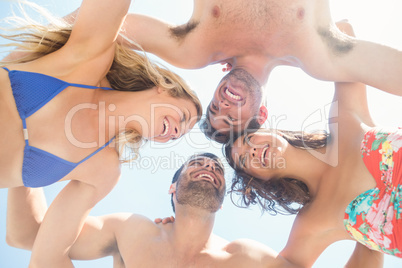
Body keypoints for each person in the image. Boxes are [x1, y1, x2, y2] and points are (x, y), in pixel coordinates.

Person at [0, 0, 201, 265]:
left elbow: (43, 250)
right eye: (183, 117)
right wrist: (195, 48)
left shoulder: (103, 167)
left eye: (178, 136)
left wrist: (25, 181)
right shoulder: (93, 59)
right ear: (164, 87)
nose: (176, 131)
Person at [223, 22, 401, 268]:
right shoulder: (313, 223)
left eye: (250, 139)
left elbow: (343, 32)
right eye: (244, 160)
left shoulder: (345, 121)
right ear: (257, 178)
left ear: (271, 131)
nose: (252, 150)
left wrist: (251, 64)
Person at [116, 0, 402, 142]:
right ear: (261, 115)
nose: (224, 105)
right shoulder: (318, 61)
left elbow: (106, 31)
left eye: (215, 107)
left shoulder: (197, 50)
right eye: (229, 117)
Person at [6, 153, 301, 268]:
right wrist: (27, 166)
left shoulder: (242, 257)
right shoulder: (133, 231)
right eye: (197, 164)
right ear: (172, 188)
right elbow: (30, 236)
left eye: (216, 170)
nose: (209, 167)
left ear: (221, 202)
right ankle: (29, 150)